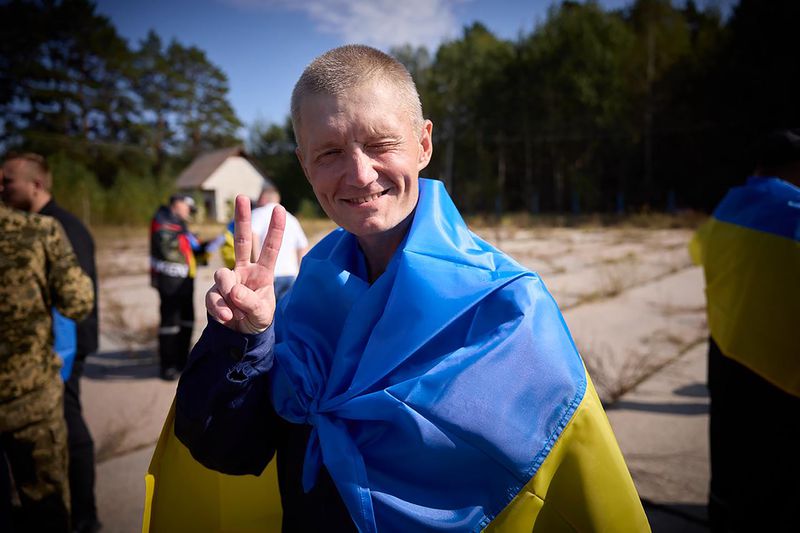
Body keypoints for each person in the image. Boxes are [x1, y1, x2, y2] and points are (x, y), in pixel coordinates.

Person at [170, 45, 648, 531]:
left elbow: (569, 493)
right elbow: (226, 450)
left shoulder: (508, 308)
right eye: (331, 152)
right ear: (305, 165)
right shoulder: (297, 304)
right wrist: (245, 338)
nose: (359, 173)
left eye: (380, 144)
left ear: (423, 144)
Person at [690, 129, 800, 533]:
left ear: (759, 166)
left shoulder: (729, 205)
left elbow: (698, 251)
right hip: (784, 370)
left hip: (726, 354)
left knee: (733, 460)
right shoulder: (796, 209)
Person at [1, 152, 101, 533]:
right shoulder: (42, 226)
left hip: (64, 352)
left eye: (8, 180)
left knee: (71, 429)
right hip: (49, 361)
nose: (2, 188)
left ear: (36, 184)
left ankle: (86, 515)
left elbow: (78, 302)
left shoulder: (59, 227)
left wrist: (63, 355)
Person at [149, 194, 208, 381]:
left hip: (185, 279)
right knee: (170, 324)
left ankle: (183, 361)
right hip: (170, 281)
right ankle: (168, 366)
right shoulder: (163, 220)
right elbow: (169, 250)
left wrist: (201, 248)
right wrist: (189, 242)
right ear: (177, 204)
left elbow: (186, 249)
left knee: (186, 321)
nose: (189, 212)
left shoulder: (179, 224)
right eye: (188, 208)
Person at [250, 185, 308, 301]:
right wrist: (300, 273)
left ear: (263, 199)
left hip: (269, 275)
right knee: (284, 315)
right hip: (290, 274)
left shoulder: (257, 214)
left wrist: (255, 265)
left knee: (266, 316)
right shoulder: (291, 218)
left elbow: (252, 237)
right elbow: (302, 247)